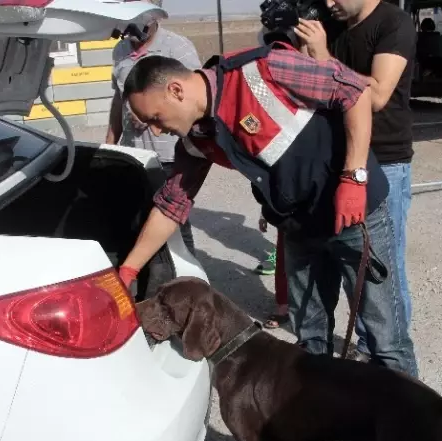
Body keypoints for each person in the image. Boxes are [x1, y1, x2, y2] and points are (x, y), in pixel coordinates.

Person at [116, 40, 418, 377]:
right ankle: (322, 419)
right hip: (299, 229)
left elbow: (355, 92)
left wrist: (354, 175)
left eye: (155, 118)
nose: (157, 130)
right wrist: (128, 270)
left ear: (175, 90)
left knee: (384, 337)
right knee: (311, 337)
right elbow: (172, 206)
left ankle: (410, 423)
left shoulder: (265, 71)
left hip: (353, 213)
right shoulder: (196, 138)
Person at [294, 0, 417, 364]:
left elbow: (377, 95)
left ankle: (383, 355)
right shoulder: (333, 25)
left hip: (385, 160)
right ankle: (369, 348)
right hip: (342, 159)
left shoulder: (394, 23)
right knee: (350, 266)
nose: (328, 2)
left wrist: (323, 56)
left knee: (383, 275)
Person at [105, 0, 201, 256]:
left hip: (169, 154)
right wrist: (109, 146)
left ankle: (188, 278)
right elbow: (118, 100)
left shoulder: (177, 47)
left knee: (174, 222)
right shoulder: (120, 50)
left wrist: (152, 115)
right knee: (138, 217)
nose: (135, 34)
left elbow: (193, 100)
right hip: (133, 153)